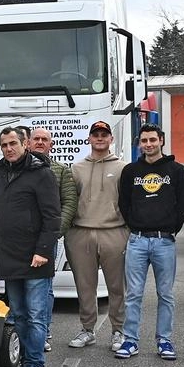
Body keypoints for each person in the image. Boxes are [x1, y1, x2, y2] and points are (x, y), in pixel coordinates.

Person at [0, 128, 60, 367]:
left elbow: (52, 216)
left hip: (35, 258)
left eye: (13, 143)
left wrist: (43, 251)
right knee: (19, 316)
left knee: (35, 317)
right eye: (3, 145)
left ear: (25, 144)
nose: (8, 148)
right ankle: (25, 362)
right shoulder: (1, 174)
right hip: (10, 257)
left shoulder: (41, 173)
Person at [115, 124, 184, 360]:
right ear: (140, 144)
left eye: (152, 140)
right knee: (134, 294)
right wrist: (135, 224)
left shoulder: (176, 170)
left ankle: (165, 340)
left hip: (164, 242)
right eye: (144, 141)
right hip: (137, 241)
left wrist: (170, 229)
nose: (148, 144)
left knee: (165, 294)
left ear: (161, 141)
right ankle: (130, 340)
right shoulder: (130, 171)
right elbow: (124, 203)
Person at [67, 121, 128, 353]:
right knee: (85, 286)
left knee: (117, 286)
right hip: (81, 232)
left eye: (104, 134)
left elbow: (128, 202)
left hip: (114, 231)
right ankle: (87, 329)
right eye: (96, 135)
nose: (100, 138)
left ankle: (118, 330)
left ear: (111, 139)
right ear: (89, 139)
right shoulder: (77, 168)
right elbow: (70, 201)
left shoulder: (123, 168)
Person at [28, 128, 78, 351]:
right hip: (21, 238)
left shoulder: (61, 171)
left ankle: (44, 332)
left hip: (47, 238)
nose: (39, 142)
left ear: (51, 144)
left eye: (44, 140)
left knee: (45, 286)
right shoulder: (19, 169)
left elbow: (69, 203)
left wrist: (55, 231)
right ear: (28, 143)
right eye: (36, 139)